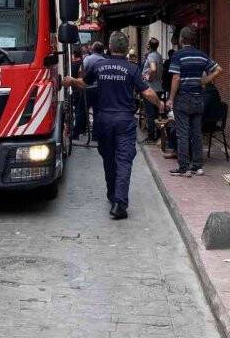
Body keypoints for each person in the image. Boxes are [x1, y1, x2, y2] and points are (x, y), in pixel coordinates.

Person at [64, 31, 163, 219]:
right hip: (124, 121)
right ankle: (119, 203)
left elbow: (83, 84)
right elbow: (148, 93)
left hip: (103, 121)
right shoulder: (132, 69)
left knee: (109, 159)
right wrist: (160, 104)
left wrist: (70, 81)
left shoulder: (100, 66)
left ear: (110, 47)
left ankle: (113, 195)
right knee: (124, 160)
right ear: (126, 50)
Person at [168, 27, 222, 177]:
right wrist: (205, 80)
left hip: (183, 98)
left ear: (181, 40)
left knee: (183, 133)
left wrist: (171, 98)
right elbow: (218, 69)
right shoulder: (202, 55)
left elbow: (176, 78)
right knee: (196, 133)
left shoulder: (178, 56)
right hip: (199, 98)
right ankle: (198, 166)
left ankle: (184, 167)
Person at [81, 41, 105, 141]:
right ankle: (95, 135)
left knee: (83, 110)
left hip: (88, 88)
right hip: (100, 90)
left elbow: (81, 70)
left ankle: (81, 131)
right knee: (97, 112)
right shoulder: (104, 60)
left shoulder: (88, 59)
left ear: (93, 49)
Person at [141, 38, 165, 142]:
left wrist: (148, 76)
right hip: (158, 87)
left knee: (150, 114)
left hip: (151, 89)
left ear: (149, 46)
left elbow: (153, 69)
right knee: (157, 113)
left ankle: (151, 137)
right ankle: (159, 135)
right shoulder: (159, 56)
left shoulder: (151, 56)